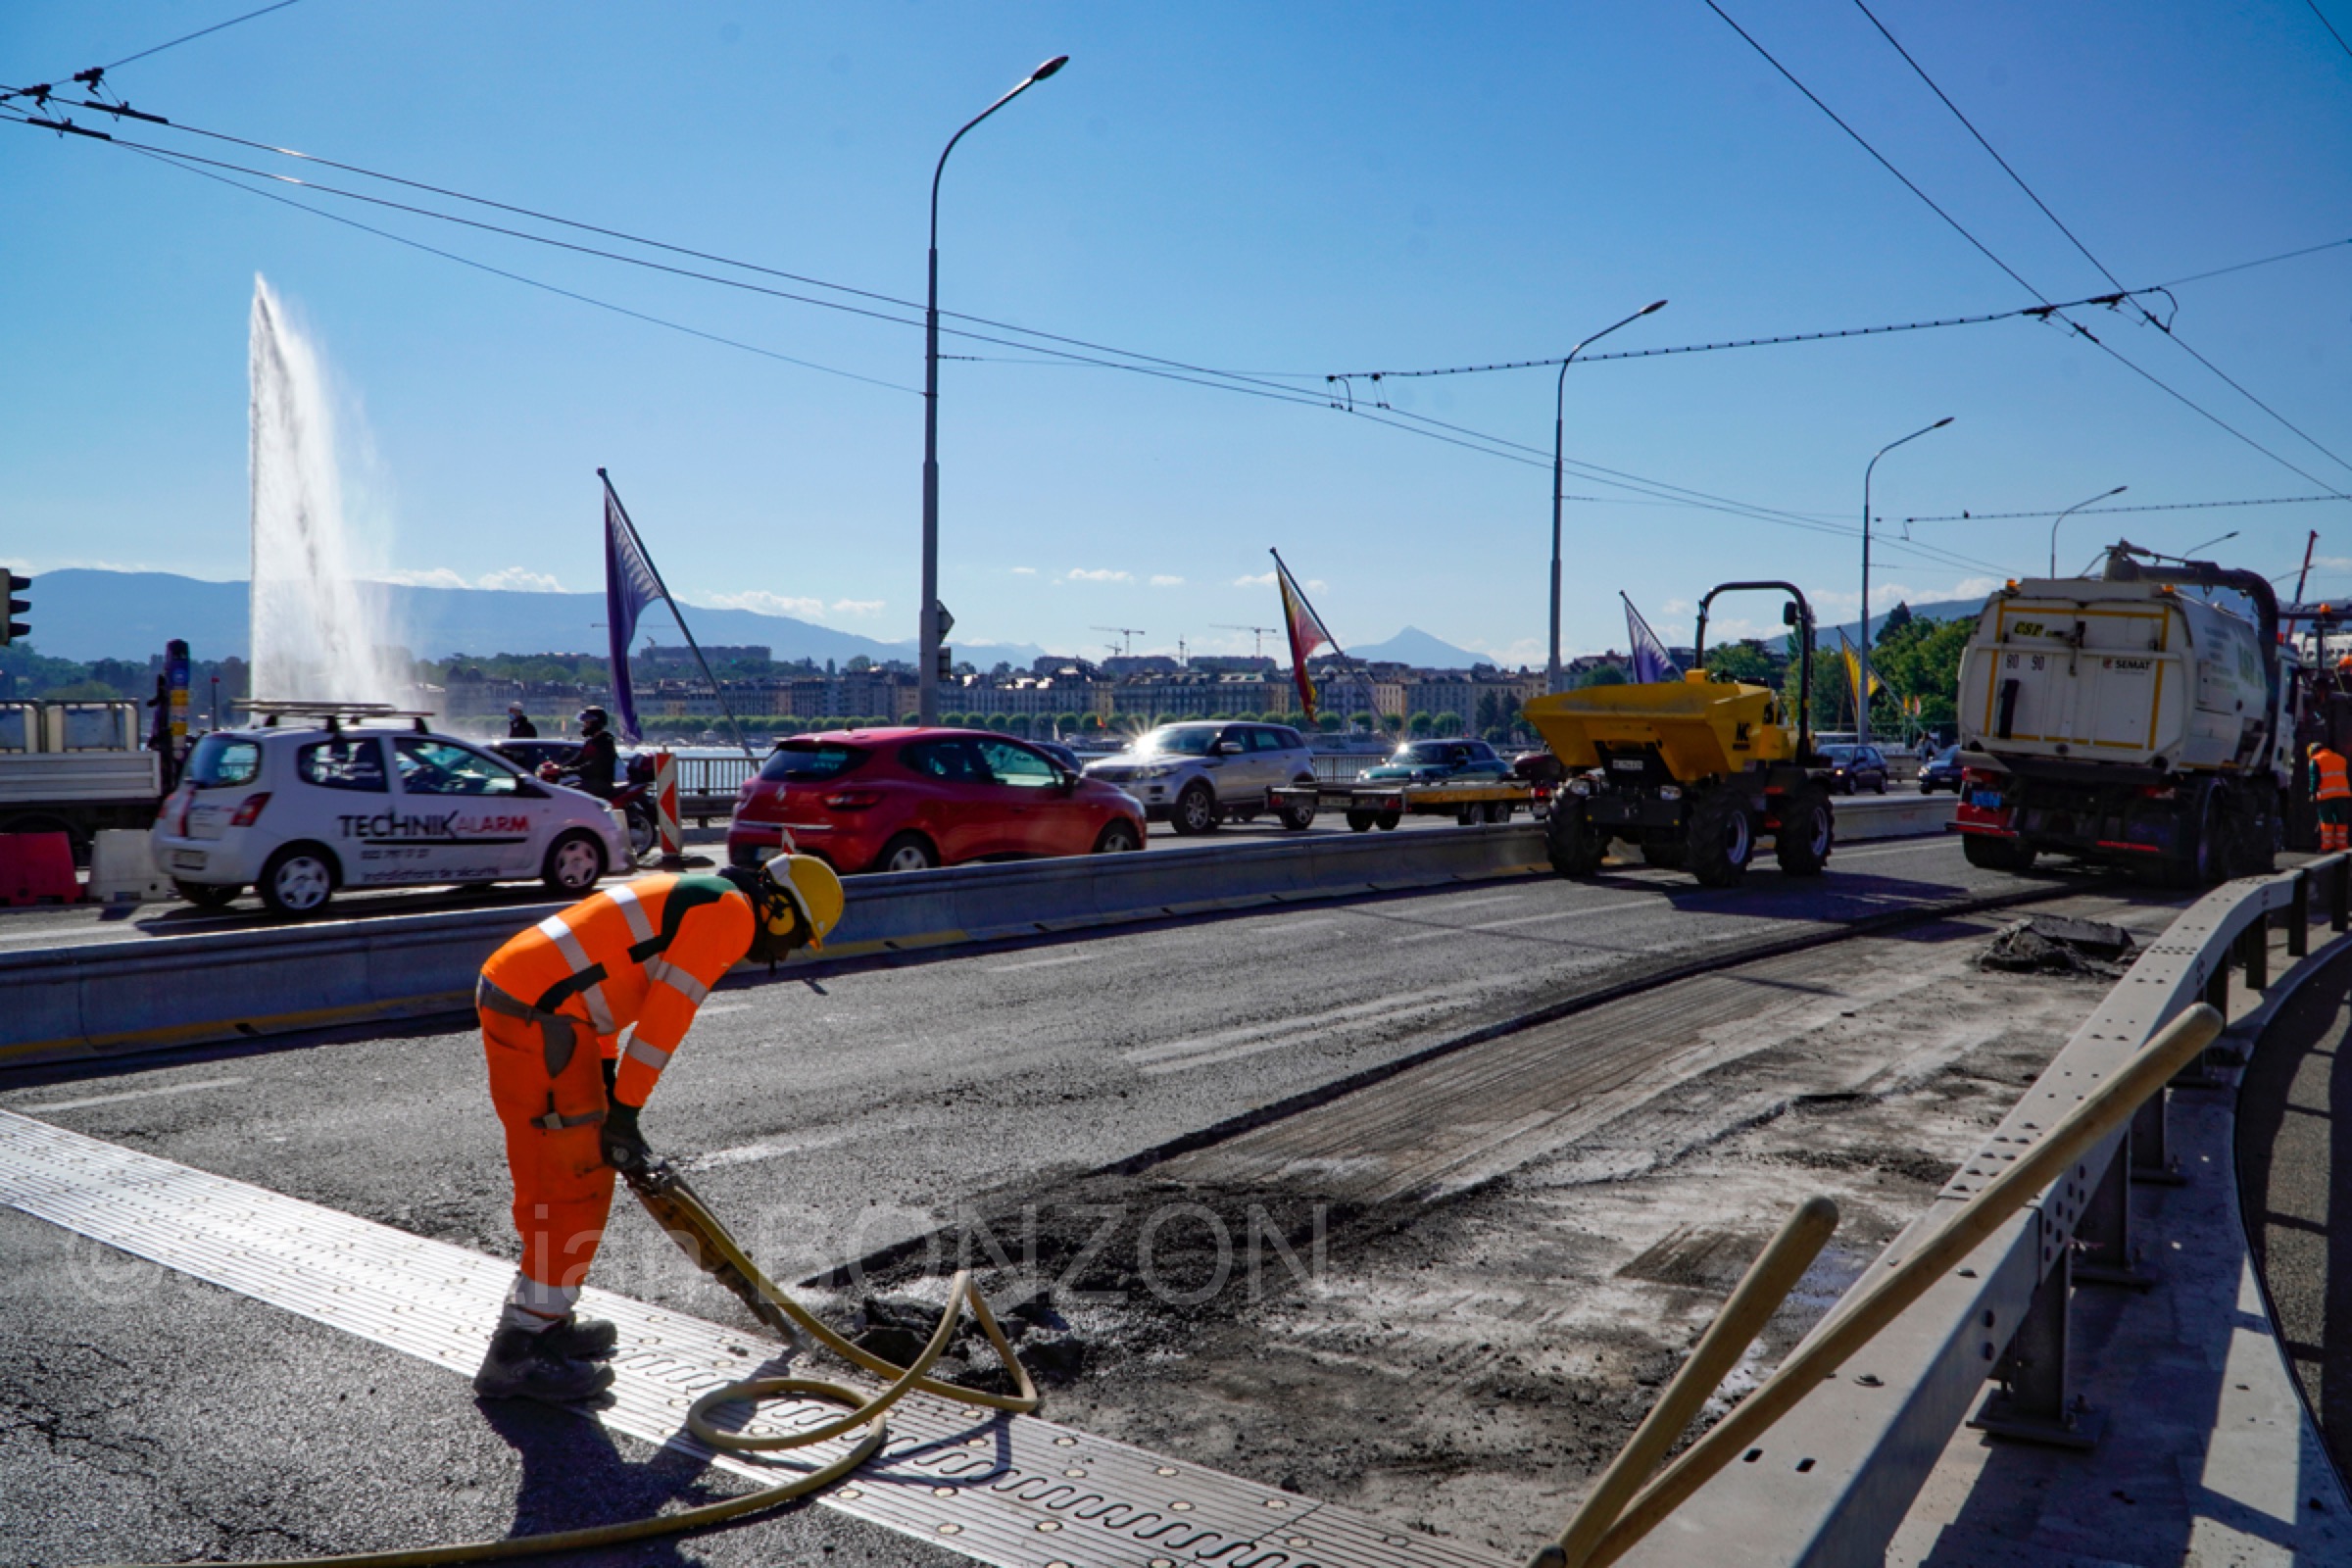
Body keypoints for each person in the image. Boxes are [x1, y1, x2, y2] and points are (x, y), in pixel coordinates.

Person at [470, 853, 846, 1402]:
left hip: (534, 1000)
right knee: (573, 1184)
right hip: (542, 1015)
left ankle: (542, 1321)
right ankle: (521, 1347)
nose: (783, 952)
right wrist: (624, 1113)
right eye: (794, 939)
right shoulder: (731, 914)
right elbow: (665, 1019)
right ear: (782, 913)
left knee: (557, 1176)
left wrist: (603, 1074)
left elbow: (599, 980)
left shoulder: (697, 891)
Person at [568, 705, 618, 800]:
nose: (584, 726)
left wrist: (573, 770)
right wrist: (560, 768)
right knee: (566, 790)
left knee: (572, 794)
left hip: (601, 784)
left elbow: (596, 764)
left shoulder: (605, 741)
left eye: (587, 722)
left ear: (596, 724)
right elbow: (577, 760)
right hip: (589, 782)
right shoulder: (590, 742)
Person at [2313, 740, 2351, 853]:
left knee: (2327, 821)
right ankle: (2342, 846)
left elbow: (2314, 779)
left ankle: (2327, 846)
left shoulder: (2316, 760)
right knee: (2341, 821)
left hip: (2326, 796)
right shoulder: (2341, 759)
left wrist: (2312, 793)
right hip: (2343, 795)